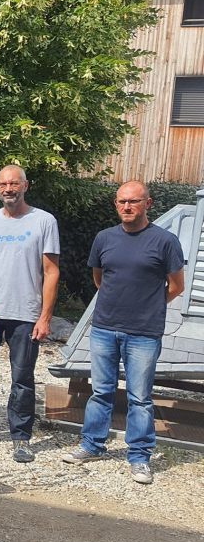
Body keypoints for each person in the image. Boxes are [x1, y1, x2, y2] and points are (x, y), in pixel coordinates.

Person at [62, 181, 184, 485]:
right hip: (105, 327)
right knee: (101, 391)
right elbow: (99, 278)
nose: (127, 207)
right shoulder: (104, 238)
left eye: (133, 201)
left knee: (139, 397)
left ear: (148, 204)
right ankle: (92, 445)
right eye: (121, 202)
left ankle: (140, 457)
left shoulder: (165, 241)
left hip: (144, 332)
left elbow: (177, 285)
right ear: (116, 205)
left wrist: (150, 305)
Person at [0, 165, 60, 463]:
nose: (8, 189)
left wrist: (44, 317)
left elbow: (51, 271)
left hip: (25, 314)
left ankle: (21, 437)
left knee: (22, 378)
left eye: (14, 184)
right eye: (3, 184)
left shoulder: (44, 221)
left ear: (25, 186)